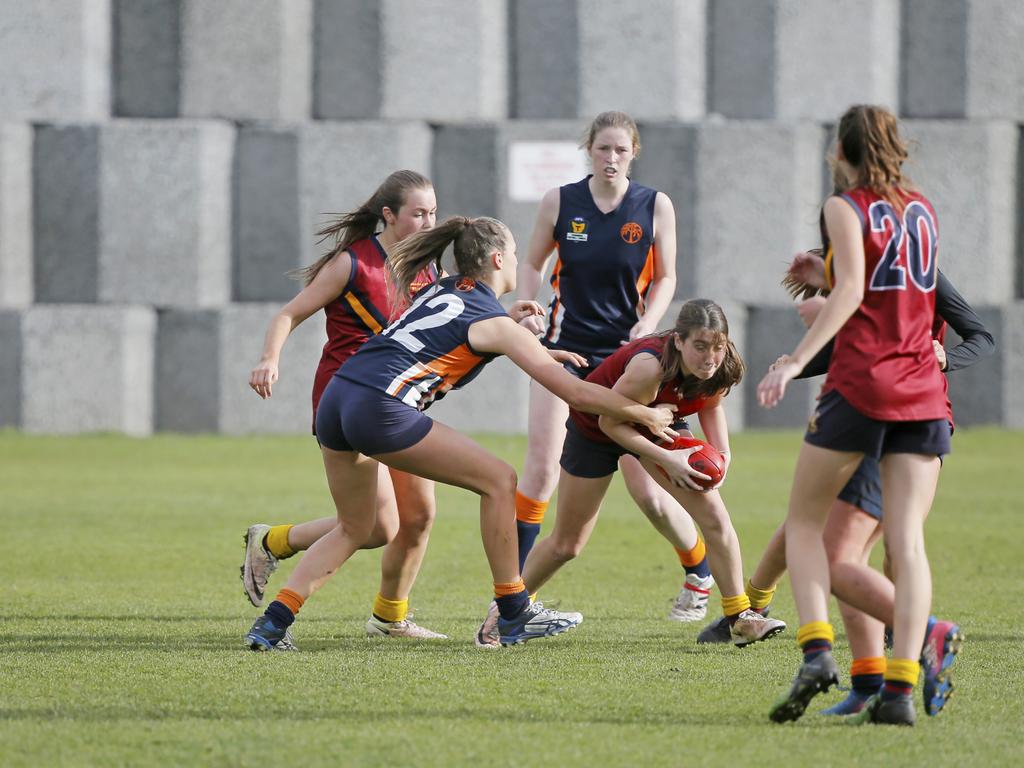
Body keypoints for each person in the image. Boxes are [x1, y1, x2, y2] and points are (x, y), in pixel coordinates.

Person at [244, 215, 680, 651]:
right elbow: (575, 394)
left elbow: (454, 329)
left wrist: (519, 334)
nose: (515, 259)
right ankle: (513, 611)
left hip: (339, 398)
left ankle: (272, 624)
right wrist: (643, 415)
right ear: (496, 258)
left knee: (356, 526)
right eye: (511, 252)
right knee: (499, 480)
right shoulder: (495, 324)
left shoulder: (445, 288)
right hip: (379, 406)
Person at [700, 263, 991, 720]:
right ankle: (881, 688)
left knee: (838, 550)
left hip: (883, 416)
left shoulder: (902, 272)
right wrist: (799, 361)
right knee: (841, 544)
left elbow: (892, 336)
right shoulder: (882, 258)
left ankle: (911, 640)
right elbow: (850, 342)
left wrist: (943, 356)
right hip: (905, 414)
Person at [759, 105, 952, 726]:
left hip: (863, 384)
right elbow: (887, 283)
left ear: (841, 150)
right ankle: (898, 692)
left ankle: (817, 650)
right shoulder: (920, 207)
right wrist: (829, 268)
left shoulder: (844, 206)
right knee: (908, 543)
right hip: (923, 390)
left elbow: (852, 294)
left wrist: (792, 361)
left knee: (804, 525)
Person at [510, 111, 712, 630]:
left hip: (627, 359)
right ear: (590, 150)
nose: (611, 158)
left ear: (633, 153)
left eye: (620, 150)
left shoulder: (654, 205)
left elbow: (667, 276)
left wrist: (647, 325)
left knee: (647, 489)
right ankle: (512, 593)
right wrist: (527, 304)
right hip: (562, 353)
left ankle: (699, 574)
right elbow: (531, 263)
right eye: (603, 148)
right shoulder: (560, 201)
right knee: (540, 466)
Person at [496, 299, 786, 648]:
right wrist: (668, 458)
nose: (710, 357)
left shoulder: (722, 365)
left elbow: (711, 403)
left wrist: (723, 455)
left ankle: (740, 617)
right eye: (700, 346)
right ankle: (504, 614)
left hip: (661, 424)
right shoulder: (650, 368)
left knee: (715, 519)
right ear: (678, 341)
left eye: (718, 346)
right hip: (597, 431)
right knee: (567, 544)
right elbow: (610, 422)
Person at [241, 170, 449, 643]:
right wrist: (269, 359)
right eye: (418, 213)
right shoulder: (353, 263)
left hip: (399, 400)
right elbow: (289, 313)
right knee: (371, 528)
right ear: (389, 215)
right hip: (349, 403)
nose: (428, 221)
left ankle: (389, 618)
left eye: (433, 213)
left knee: (414, 518)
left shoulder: (428, 267)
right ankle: (277, 584)